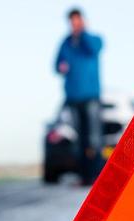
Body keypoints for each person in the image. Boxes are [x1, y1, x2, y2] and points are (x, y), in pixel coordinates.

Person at [54, 8, 104, 185]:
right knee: (79, 138)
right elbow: (56, 64)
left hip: (91, 96)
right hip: (73, 97)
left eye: (77, 21)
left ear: (82, 21)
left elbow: (94, 49)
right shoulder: (66, 43)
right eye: (72, 22)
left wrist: (83, 33)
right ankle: (84, 177)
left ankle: (96, 176)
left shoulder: (93, 39)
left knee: (94, 137)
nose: (74, 24)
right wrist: (61, 66)